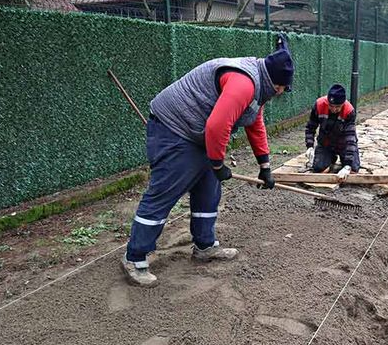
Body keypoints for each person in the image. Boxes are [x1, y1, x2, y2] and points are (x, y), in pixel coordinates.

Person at [121, 34, 295, 287]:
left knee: (208, 189)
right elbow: (217, 126)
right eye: (282, 89)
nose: (281, 93)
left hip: (197, 133)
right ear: (275, 83)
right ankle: (134, 257)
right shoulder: (244, 83)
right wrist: (217, 163)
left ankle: (204, 246)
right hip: (174, 129)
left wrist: (265, 166)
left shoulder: (259, 87)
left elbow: (254, 122)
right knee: (165, 192)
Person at [304, 84, 360, 182]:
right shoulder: (319, 105)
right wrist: (309, 146)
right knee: (319, 169)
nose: (334, 109)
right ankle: (331, 158)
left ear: (343, 103)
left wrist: (347, 165)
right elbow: (310, 127)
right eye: (331, 106)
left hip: (343, 145)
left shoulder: (349, 111)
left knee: (353, 171)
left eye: (338, 107)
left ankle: (344, 161)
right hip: (326, 144)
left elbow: (350, 138)